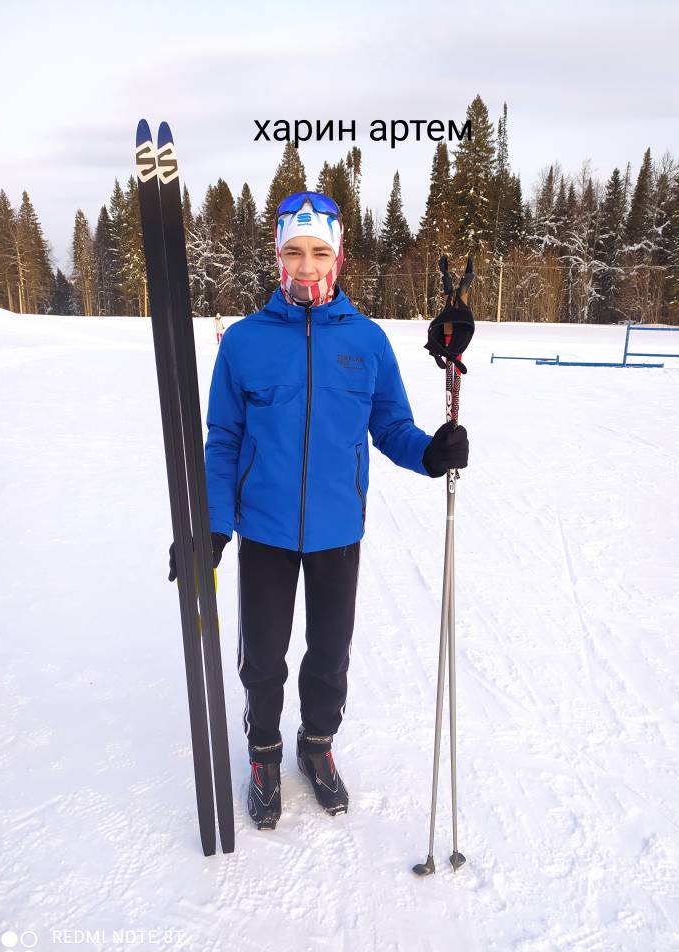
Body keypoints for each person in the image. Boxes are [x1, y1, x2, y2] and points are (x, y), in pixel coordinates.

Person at [171, 191, 469, 830]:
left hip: (337, 528)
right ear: (277, 255)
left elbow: (391, 427)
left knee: (330, 653)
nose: (306, 266)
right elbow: (223, 439)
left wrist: (430, 453)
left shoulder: (367, 341)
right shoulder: (245, 342)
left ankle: (316, 745)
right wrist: (212, 526)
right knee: (263, 657)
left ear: (339, 257)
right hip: (266, 529)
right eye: (294, 252)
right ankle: (263, 752)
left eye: (319, 252)